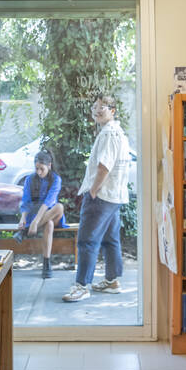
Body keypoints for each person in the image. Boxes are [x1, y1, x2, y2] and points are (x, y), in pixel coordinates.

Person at [63, 95, 131, 302]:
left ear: (113, 110)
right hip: (114, 197)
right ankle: (112, 281)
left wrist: (93, 190)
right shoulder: (118, 132)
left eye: (102, 107)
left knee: (86, 241)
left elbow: (104, 166)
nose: (97, 110)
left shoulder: (109, 133)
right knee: (110, 240)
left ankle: (82, 286)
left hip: (101, 196)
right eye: (95, 106)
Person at [15, 150, 66, 279]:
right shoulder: (29, 179)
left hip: (52, 214)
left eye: (41, 169)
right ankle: (46, 263)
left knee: (59, 207)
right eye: (36, 168)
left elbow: (48, 203)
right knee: (48, 224)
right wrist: (23, 219)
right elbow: (26, 202)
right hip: (36, 216)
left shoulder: (56, 179)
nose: (39, 172)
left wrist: (35, 223)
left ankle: (24, 232)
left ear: (49, 165)